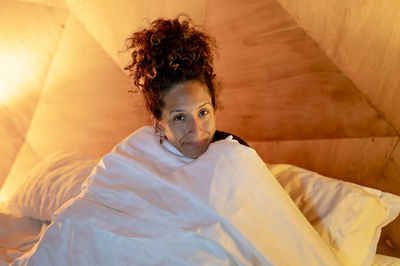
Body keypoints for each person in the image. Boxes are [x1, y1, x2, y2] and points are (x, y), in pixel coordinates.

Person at [124, 16, 248, 159]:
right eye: (180, 117)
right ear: (158, 125)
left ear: (214, 110)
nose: (196, 130)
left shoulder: (236, 154)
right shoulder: (138, 164)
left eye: (203, 112)